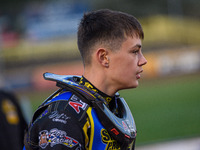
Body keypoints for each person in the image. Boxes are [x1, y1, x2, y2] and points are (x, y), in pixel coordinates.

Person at [24, 9, 147, 150]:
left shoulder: (110, 105)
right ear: (103, 57)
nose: (143, 60)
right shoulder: (64, 116)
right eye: (135, 52)